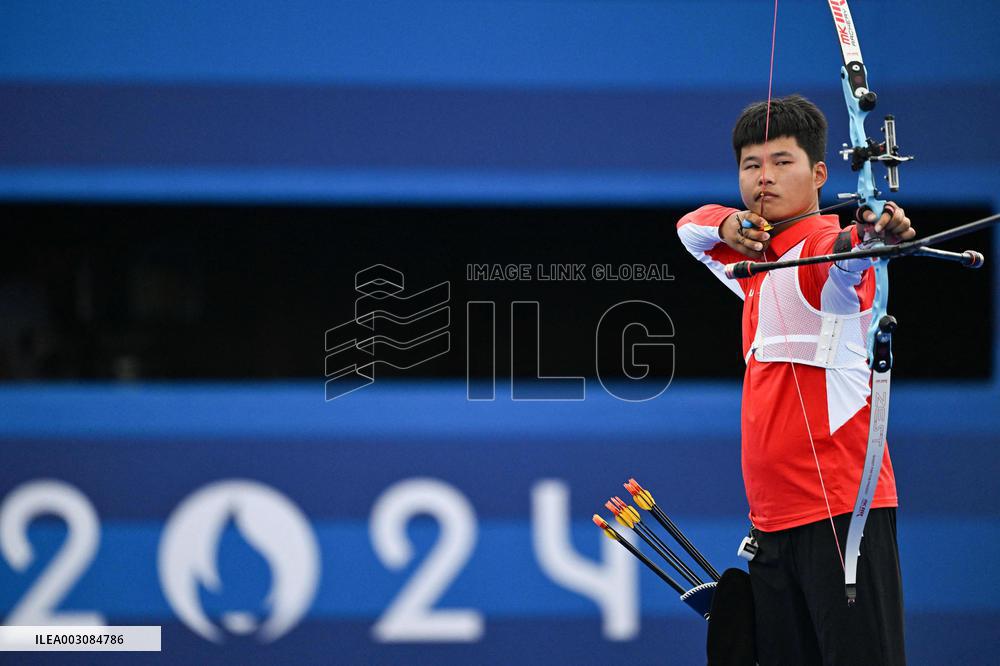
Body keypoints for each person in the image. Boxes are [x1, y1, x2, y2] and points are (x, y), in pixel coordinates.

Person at [676, 94, 909, 665]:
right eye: (752, 165)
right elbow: (690, 230)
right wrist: (728, 224)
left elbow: (847, 253)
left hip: (839, 516)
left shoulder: (821, 257)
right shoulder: (754, 264)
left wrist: (874, 233)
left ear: (821, 173)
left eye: (783, 162)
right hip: (769, 527)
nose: (764, 178)